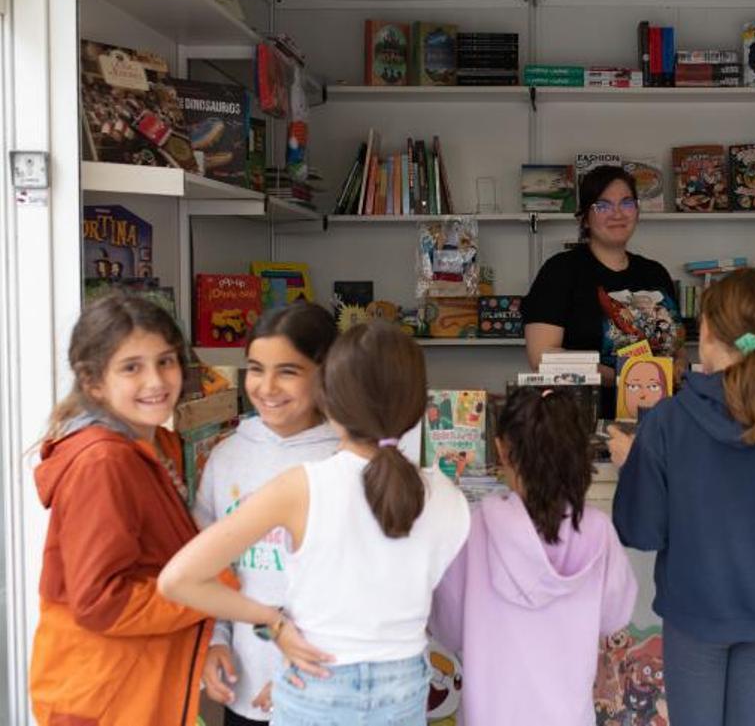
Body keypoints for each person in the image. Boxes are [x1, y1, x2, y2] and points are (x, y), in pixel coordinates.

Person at [160, 322, 470, 726]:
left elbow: (177, 579)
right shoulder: (449, 498)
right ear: (417, 405)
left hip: (315, 682)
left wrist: (273, 621)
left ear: (329, 398)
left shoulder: (302, 486)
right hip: (405, 690)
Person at [608, 268, 755, 726]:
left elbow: (641, 529)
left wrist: (635, 462)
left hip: (695, 614)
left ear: (707, 329)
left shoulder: (668, 421)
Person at [28, 292, 234, 725]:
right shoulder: (103, 462)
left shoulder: (155, 441)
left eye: (165, 361)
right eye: (131, 368)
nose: (156, 381)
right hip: (102, 701)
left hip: (135, 688)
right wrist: (209, 591)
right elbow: (102, 602)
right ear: (92, 381)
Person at [429, 386, 637, 725]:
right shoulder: (598, 532)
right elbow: (615, 616)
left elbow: (447, 628)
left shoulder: (475, 529)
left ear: (501, 450)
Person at [193, 301, 341, 725]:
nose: (267, 386)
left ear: (327, 372)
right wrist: (214, 642)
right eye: (256, 368)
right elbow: (211, 572)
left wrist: (301, 674)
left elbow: (359, 591)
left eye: (288, 371)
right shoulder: (227, 457)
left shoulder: (345, 457)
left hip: (327, 688)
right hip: (244, 688)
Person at [522, 165, 686, 415]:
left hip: (657, 419)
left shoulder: (655, 273)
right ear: (585, 217)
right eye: (603, 206)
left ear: (637, 211)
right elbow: (541, 357)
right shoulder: (560, 271)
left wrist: (678, 367)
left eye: (627, 203)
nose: (617, 214)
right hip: (579, 422)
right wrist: (622, 375)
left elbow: (677, 349)